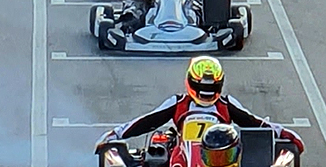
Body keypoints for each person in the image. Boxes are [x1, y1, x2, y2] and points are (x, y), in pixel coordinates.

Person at [98, 56, 305, 153]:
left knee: (247, 152)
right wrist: (116, 134)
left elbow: (255, 123)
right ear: (192, 83)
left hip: (222, 155)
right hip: (181, 156)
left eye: (211, 86)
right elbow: (147, 122)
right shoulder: (178, 103)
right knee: (157, 150)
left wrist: (282, 133)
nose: (206, 92)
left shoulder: (226, 104)